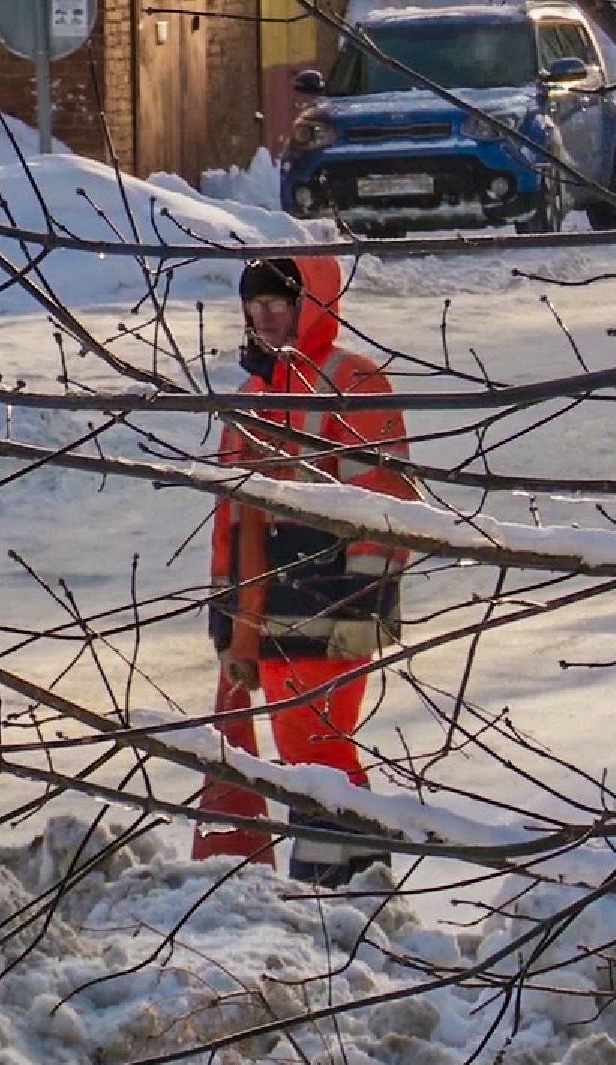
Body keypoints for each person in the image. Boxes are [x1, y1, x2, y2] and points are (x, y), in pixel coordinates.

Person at [208, 255, 419, 886]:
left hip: (330, 587)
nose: (265, 320)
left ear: (313, 306)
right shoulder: (252, 393)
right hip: (265, 594)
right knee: (302, 743)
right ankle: (355, 870)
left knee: (312, 742)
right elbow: (230, 514)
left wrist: (362, 596)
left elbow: (383, 493)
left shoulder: (352, 381)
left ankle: (327, 877)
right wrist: (228, 618)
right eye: (256, 307)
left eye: (279, 306)